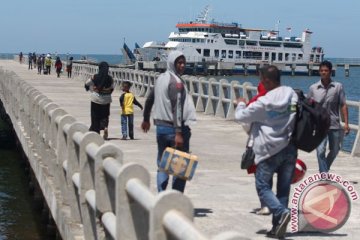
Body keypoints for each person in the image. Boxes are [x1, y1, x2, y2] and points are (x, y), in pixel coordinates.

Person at [235, 65, 298, 239]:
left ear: (268, 81)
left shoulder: (263, 102)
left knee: (262, 186)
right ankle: (277, 229)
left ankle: (281, 212)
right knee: (283, 190)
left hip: (269, 150)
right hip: (290, 148)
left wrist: (240, 103)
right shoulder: (291, 94)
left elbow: (241, 116)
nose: (260, 82)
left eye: (262, 79)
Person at [141, 50, 196, 193]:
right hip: (174, 129)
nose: (182, 65)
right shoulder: (176, 82)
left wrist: (146, 119)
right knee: (179, 165)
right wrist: (178, 132)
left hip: (160, 129)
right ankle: (175, 197)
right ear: (172, 63)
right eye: (179, 63)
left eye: (184, 62)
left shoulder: (160, 79)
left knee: (162, 163)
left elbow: (149, 99)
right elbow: (177, 108)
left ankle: (161, 195)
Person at [308, 60, 350, 173]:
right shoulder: (313, 88)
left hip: (334, 124)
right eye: (321, 70)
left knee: (335, 149)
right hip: (319, 125)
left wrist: (346, 123)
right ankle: (324, 174)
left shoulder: (338, 87)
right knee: (320, 151)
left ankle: (324, 167)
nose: (323, 72)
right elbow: (309, 107)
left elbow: (343, 105)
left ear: (330, 72)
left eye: (326, 70)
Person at [85, 61, 114, 140]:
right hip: (107, 100)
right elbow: (112, 88)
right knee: (105, 115)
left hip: (96, 99)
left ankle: (96, 131)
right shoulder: (110, 78)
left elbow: (87, 83)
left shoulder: (95, 76)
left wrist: (90, 88)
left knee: (95, 115)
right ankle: (105, 127)